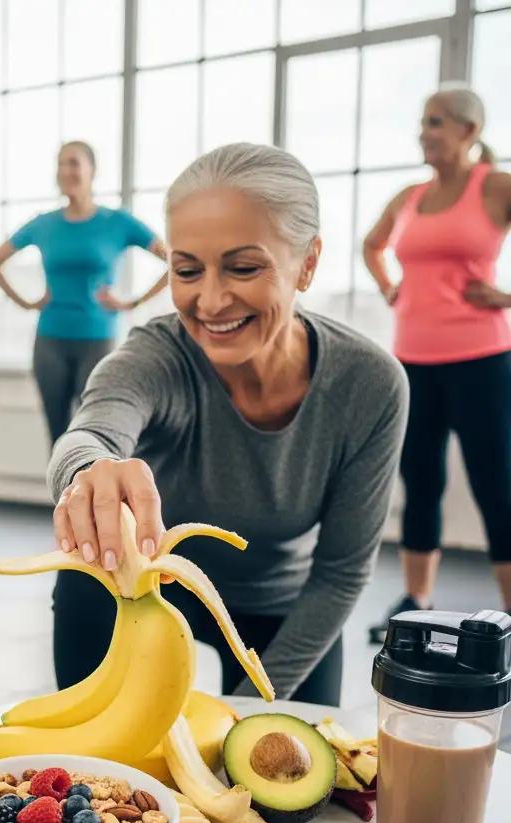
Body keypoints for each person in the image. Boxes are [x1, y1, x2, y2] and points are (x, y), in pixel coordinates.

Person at [47, 142, 409, 706]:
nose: (210, 301)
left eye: (243, 268)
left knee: (291, 776)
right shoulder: (156, 355)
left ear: (307, 263)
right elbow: (91, 431)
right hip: (150, 586)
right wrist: (88, 470)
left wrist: (244, 716)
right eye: (186, 270)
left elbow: (340, 573)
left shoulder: (370, 384)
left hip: (280, 604)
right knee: (87, 571)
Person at [363, 83, 511, 642]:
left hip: (482, 359)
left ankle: (507, 608)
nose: (424, 132)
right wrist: (388, 287)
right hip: (414, 362)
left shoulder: (494, 187)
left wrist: (505, 297)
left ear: (470, 132)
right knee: (420, 480)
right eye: (424, 121)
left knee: (495, 485)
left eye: (437, 123)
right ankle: (417, 599)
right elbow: (371, 244)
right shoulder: (410, 195)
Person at [0, 141, 169, 447]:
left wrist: (132, 302)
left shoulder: (117, 222)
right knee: (57, 436)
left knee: (97, 433)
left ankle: (97, 496)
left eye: (73, 163)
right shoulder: (44, 224)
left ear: (92, 171)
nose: (66, 171)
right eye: (60, 164)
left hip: (97, 341)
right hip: (50, 341)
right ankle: (61, 497)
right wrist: (25, 302)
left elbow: (173, 260)